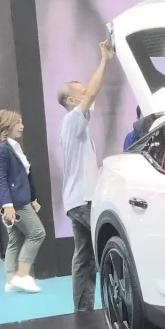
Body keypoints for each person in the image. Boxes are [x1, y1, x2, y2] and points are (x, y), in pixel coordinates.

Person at [58, 41, 113, 312]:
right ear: (72, 100)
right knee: (108, 252)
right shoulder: (73, 120)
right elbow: (92, 92)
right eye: (81, 93)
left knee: (84, 257)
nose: (88, 96)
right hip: (83, 201)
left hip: (77, 200)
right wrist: (104, 60)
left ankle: (83, 311)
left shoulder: (75, 127)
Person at [0, 110, 45, 294]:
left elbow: (24, 176)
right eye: (18, 122)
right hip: (14, 202)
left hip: (18, 200)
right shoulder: (1, 149)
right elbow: (1, 178)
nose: (22, 126)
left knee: (16, 238)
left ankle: (11, 280)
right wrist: (8, 205)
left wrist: (32, 198)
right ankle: (22, 276)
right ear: (6, 125)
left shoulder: (13, 147)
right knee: (37, 233)